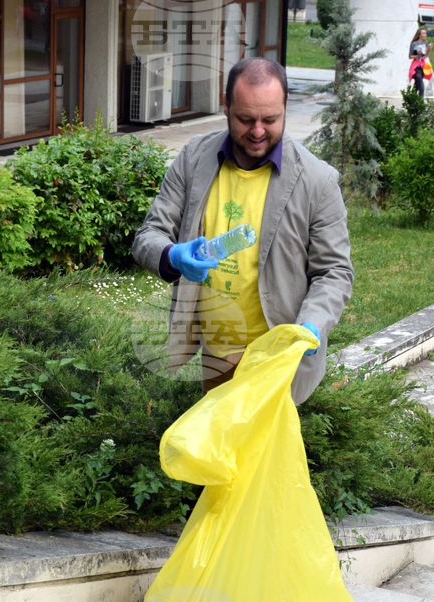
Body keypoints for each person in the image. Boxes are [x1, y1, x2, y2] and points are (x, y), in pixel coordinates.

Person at [132, 57, 354, 406]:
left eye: (270, 119)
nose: (258, 131)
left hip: (276, 362)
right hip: (214, 354)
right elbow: (148, 236)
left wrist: (312, 325)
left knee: (262, 460)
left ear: (285, 106)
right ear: (226, 105)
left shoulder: (318, 181)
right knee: (215, 459)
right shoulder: (193, 158)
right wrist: (172, 255)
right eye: (245, 119)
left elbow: (334, 272)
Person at [409, 27, 434, 97]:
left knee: (417, 87)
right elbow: (410, 56)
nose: (425, 35)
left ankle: (412, 100)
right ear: (419, 35)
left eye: (425, 33)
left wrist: (430, 49)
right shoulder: (414, 44)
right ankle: (420, 103)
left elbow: (426, 56)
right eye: (423, 33)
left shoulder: (425, 43)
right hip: (416, 67)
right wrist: (417, 55)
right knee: (421, 87)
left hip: (422, 67)